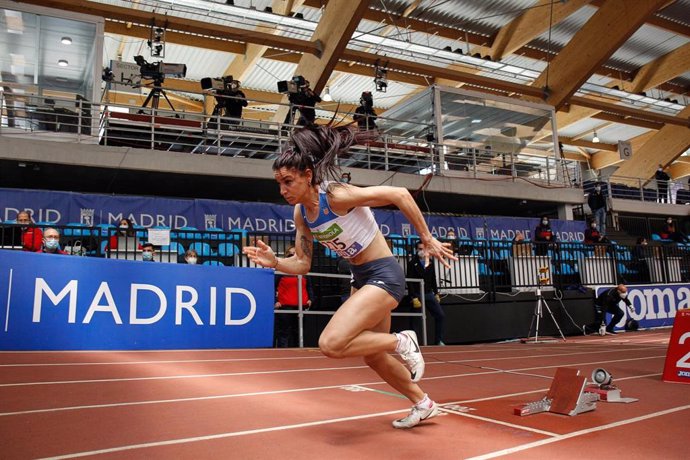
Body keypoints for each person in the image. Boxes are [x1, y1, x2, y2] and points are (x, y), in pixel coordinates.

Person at [243, 124, 456, 429]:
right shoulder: (302, 214)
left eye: (288, 181)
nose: (283, 190)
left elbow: (399, 194)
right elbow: (302, 264)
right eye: (279, 183)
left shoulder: (337, 196)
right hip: (361, 277)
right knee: (373, 355)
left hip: (384, 273)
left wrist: (426, 238)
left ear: (307, 175)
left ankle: (402, 340)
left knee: (331, 344)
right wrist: (275, 261)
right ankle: (424, 403)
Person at [407, 241, 446, 346]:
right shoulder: (412, 263)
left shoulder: (431, 262)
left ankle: (438, 340)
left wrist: (436, 293)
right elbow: (409, 281)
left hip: (428, 293)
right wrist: (413, 297)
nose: (422, 251)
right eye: (419, 249)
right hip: (417, 294)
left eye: (423, 249)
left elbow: (433, 278)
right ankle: (413, 343)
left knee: (440, 315)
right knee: (415, 319)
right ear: (416, 250)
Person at [274, 245, 313, 348]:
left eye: (296, 255)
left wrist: (311, 299)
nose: (293, 256)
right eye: (291, 254)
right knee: (284, 333)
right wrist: (275, 301)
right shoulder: (281, 271)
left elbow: (309, 287)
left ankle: (298, 357)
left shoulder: (304, 271)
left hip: (301, 306)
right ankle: (283, 357)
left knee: (298, 332)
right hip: (285, 306)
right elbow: (272, 286)